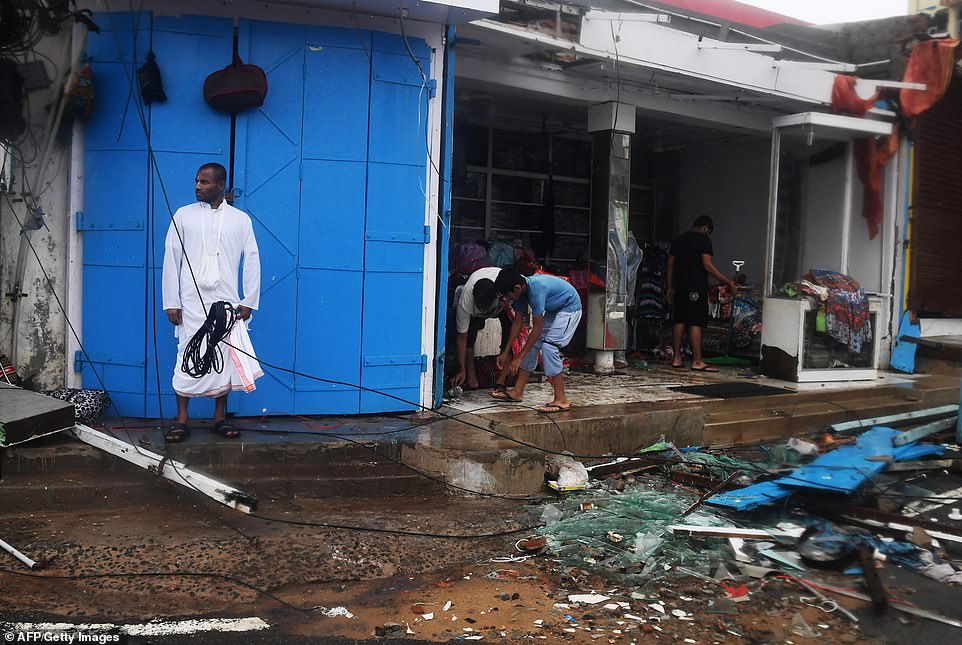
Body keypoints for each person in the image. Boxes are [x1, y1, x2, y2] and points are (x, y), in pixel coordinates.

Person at [161, 162, 262, 442]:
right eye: (196, 181)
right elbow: (172, 258)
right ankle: (182, 419)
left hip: (226, 301)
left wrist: (249, 299)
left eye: (204, 182)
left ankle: (220, 417)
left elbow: (251, 259)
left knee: (223, 356)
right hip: (191, 302)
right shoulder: (183, 216)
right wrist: (172, 300)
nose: (198, 186)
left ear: (220, 185)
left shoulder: (240, 220)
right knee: (188, 352)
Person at [490, 268, 582, 413]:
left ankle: (561, 399)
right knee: (532, 346)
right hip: (554, 310)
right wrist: (505, 352)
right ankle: (517, 392)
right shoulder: (520, 294)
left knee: (549, 346)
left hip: (570, 308)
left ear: (516, 288)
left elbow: (537, 329)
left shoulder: (536, 290)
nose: (507, 299)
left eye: (507, 295)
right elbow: (517, 323)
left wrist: (519, 358)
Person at [666, 215, 736, 372]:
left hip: (680, 287)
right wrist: (727, 282)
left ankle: (676, 358)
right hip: (696, 287)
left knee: (680, 320)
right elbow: (708, 265)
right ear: (706, 227)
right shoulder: (704, 240)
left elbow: (670, 265)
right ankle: (697, 361)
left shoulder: (678, 240)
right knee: (696, 321)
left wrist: (670, 287)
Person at [451, 267, 512, 391]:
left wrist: (505, 352)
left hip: (502, 307)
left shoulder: (505, 292)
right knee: (469, 336)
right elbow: (462, 337)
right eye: (481, 307)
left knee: (509, 332)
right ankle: (470, 375)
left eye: (486, 307)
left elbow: (516, 324)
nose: (484, 311)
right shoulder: (466, 302)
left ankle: (502, 378)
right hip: (475, 311)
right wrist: (461, 369)